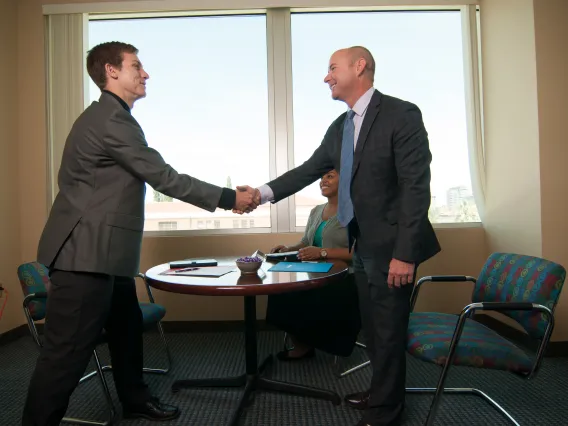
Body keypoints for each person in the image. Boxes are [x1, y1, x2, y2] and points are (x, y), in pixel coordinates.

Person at [22, 41, 256, 426]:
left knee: (127, 331)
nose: (145, 73)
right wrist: (231, 197)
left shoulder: (113, 117)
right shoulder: (109, 119)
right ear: (111, 71)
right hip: (85, 257)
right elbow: (163, 176)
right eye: (136, 65)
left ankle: (134, 399)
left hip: (106, 257)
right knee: (64, 357)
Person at [238, 46, 441, 426]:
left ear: (359, 66)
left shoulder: (401, 114)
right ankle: (382, 393)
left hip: (392, 247)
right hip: (360, 244)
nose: (326, 76)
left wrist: (406, 254)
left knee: (389, 329)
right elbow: (307, 170)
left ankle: (387, 411)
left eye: (332, 68)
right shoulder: (340, 126)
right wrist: (259, 195)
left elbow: (416, 187)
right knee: (375, 331)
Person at [265, 169, 360, 361]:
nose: (323, 180)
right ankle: (303, 345)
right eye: (322, 177)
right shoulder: (316, 211)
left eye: (330, 176)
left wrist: (323, 252)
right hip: (315, 274)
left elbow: (359, 252)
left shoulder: (355, 212)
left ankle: (324, 344)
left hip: (344, 278)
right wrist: (287, 249)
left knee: (307, 298)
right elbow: (306, 242)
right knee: (282, 292)